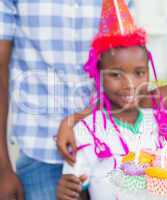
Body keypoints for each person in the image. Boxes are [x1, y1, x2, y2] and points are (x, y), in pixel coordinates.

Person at [0, 0, 131, 199]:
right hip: (41, 153)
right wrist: (2, 169)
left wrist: (78, 119)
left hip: (108, 154)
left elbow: (125, 66)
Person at [56, 0, 167, 199]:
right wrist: (66, 193)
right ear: (99, 75)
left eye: (139, 73)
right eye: (116, 74)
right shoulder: (86, 132)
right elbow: (76, 191)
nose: (129, 84)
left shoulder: (160, 122)